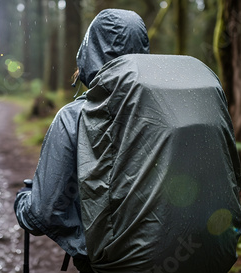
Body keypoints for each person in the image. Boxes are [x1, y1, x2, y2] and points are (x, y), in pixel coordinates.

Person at [14, 9, 150, 273]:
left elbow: (43, 212)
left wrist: (23, 202)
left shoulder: (74, 118)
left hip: (109, 264)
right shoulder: (163, 114)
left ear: (90, 52)